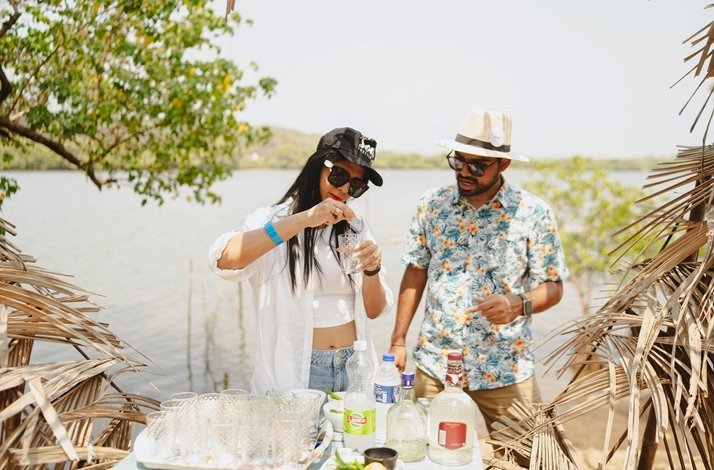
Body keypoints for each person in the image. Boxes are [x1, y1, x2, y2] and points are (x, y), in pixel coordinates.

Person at [389, 107, 568, 460]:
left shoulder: (533, 212)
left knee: (530, 459)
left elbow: (554, 286)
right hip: (436, 365)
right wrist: (398, 341)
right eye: (459, 161)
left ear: (503, 165)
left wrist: (519, 303)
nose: (465, 173)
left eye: (477, 165)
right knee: (424, 458)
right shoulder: (432, 206)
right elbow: (415, 272)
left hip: (505, 368)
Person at [209, 127, 394, 394]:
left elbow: (374, 310)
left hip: (354, 365)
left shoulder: (355, 226)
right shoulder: (273, 219)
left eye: (356, 185)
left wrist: (373, 269)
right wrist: (305, 219)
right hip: (299, 370)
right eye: (339, 175)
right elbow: (222, 260)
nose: (344, 189)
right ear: (318, 166)